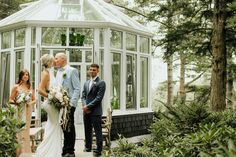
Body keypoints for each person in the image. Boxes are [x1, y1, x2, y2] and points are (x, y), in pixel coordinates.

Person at [35, 54, 62, 157]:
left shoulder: (49, 72)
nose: (54, 62)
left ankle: (54, 150)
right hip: (50, 103)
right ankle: (48, 151)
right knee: (54, 125)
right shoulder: (45, 73)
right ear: (49, 62)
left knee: (53, 125)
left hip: (52, 103)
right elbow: (40, 90)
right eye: (52, 61)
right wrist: (52, 97)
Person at [54, 52, 80, 157]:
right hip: (60, 104)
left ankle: (70, 151)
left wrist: (72, 104)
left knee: (69, 126)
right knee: (64, 127)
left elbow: (77, 88)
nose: (55, 61)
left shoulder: (72, 70)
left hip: (69, 104)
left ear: (63, 59)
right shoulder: (58, 72)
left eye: (56, 59)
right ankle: (65, 149)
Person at [9, 69, 36, 157]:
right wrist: (17, 102)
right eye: (24, 75)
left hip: (28, 111)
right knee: (19, 131)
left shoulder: (30, 87)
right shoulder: (16, 87)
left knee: (26, 132)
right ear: (21, 76)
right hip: (19, 111)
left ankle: (26, 153)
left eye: (27, 75)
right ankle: (19, 152)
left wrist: (29, 103)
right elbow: (10, 99)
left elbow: (34, 100)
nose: (26, 76)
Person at [81, 63, 106, 157]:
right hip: (86, 111)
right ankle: (88, 147)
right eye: (90, 69)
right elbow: (83, 96)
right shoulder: (86, 83)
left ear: (98, 71)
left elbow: (99, 98)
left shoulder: (101, 83)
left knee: (97, 131)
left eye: (94, 70)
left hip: (95, 112)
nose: (92, 71)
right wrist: (84, 106)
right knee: (87, 130)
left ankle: (99, 150)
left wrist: (88, 107)